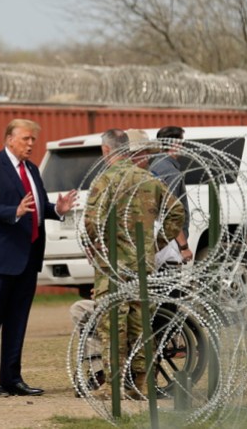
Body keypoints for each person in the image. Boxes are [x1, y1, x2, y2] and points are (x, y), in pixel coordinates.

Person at [0, 119, 77, 397]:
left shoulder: (31, 169)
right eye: (26, 139)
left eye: (33, 140)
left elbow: (38, 206)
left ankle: (12, 379)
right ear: (9, 139)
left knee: (17, 322)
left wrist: (58, 209)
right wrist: (13, 211)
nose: (31, 144)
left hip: (27, 257)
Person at [83, 128, 184, 400]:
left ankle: (113, 385)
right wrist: (155, 244)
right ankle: (142, 382)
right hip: (141, 264)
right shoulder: (147, 179)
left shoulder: (105, 180)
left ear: (106, 151)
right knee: (141, 323)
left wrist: (97, 247)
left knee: (113, 323)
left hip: (112, 266)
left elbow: (91, 222)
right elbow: (177, 211)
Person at [150, 126, 193, 263]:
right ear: (175, 144)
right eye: (182, 143)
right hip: (169, 244)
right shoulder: (170, 172)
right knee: (170, 282)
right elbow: (171, 212)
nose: (183, 147)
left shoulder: (155, 165)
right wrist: (183, 246)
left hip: (158, 239)